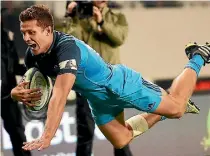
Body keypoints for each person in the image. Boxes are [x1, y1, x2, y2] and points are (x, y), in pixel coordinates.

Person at [11, 5, 208, 151]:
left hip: (120, 85)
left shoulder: (67, 49)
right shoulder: (32, 55)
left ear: (47, 31)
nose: (26, 38)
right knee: (121, 140)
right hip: (98, 100)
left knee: (178, 109)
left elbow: (60, 94)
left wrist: (47, 136)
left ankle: (197, 56)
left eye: (31, 32)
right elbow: (31, 85)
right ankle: (163, 110)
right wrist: (15, 93)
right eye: (23, 33)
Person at [64, 1, 131, 156]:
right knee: (85, 135)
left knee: (120, 135)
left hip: (111, 84)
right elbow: (72, 43)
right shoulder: (80, 18)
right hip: (88, 85)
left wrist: (101, 21)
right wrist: (71, 16)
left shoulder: (117, 17)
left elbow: (119, 38)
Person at [1, 8, 31, 156]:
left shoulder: (6, 36)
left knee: (18, 134)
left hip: (8, 95)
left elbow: (12, 67)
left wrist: (34, 69)